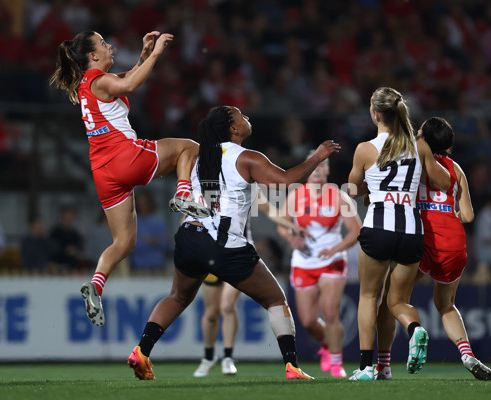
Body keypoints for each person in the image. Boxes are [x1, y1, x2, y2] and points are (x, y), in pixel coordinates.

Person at [126, 105, 340, 380]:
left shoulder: (197, 155)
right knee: (276, 300)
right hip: (223, 244)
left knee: (177, 297)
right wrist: (318, 157)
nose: (247, 117)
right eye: (242, 116)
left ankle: (142, 351)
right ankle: (292, 366)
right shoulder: (247, 158)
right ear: (233, 129)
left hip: (189, 236)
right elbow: (287, 180)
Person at [50, 30, 209, 327]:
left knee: (123, 242)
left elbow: (131, 75)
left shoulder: (89, 83)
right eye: (103, 44)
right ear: (93, 56)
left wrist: (144, 54)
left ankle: (96, 286)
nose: (110, 46)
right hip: (124, 156)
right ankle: (185, 194)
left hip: (103, 171)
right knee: (190, 147)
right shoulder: (100, 80)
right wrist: (159, 52)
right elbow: (133, 83)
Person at [375, 117, 491, 381]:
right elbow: (469, 216)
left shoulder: (414, 161)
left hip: (423, 236)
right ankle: (467, 354)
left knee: (391, 300)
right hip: (454, 241)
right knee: (446, 304)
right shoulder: (457, 169)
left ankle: (384, 365)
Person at [347, 87, 450, 380]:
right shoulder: (419, 146)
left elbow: (352, 190)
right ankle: (399, 349)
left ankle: (367, 367)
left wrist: (372, 188)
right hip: (412, 231)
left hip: (379, 227)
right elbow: (442, 182)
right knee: (396, 302)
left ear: (375, 113)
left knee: (368, 297)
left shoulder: (365, 149)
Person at [193, 190, 311, 377]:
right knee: (210, 313)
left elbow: (270, 211)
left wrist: (292, 227)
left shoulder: (244, 187)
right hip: (212, 255)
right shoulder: (209, 187)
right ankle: (208, 357)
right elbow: (190, 216)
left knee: (227, 306)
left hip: (238, 255)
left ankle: (228, 357)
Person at [276, 154, 361, 378]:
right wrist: (290, 238)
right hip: (303, 262)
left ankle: (336, 362)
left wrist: (335, 250)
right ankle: (327, 343)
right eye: (313, 165)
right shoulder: (295, 196)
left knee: (331, 311)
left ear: (327, 171)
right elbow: (282, 225)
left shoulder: (339, 196)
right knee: (308, 320)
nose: (316, 169)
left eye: (321, 165)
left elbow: (356, 231)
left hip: (332, 260)